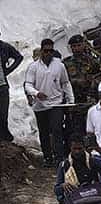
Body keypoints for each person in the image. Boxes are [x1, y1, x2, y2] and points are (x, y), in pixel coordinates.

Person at [24, 39, 74, 167]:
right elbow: (28, 85)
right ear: (41, 51)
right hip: (40, 105)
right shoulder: (33, 67)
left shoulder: (59, 65)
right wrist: (36, 93)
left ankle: (59, 158)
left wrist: (70, 99)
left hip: (56, 103)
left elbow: (65, 83)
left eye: (51, 51)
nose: (48, 53)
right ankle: (48, 158)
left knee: (57, 129)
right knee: (44, 131)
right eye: (46, 51)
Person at [63, 35, 101, 139]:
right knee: (76, 132)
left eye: (79, 45)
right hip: (75, 103)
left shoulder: (93, 62)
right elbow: (63, 81)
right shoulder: (66, 63)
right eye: (74, 46)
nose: (76, 49)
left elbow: (99, 78)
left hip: (90, 101)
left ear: (84, 45)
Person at [0, 31, 23, 142]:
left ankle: (4, 137)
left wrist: (8, 70)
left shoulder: (4, 47)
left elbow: (19, 57)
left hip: (2, 86)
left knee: (3, 112)